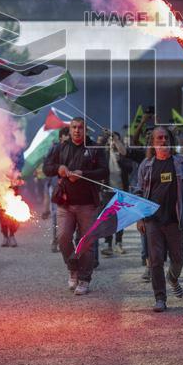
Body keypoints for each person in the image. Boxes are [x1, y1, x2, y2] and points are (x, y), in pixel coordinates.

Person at [42, 117, 108, 296]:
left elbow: (104, 172)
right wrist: (59, 168)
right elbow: (46, 168)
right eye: (74, 127)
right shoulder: (60, 147)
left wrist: (83, 173)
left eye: (80, 128)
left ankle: (85, 279)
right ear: (69, 130)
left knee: (86, 243)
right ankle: (73, 268)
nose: (77, 131)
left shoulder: (95, 149)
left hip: (88, 204)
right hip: (65, 203)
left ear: (86, 130)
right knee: (63, 238)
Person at [136, 127, 183, 312]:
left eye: (166, 137)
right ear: (152, 143)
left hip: (175, 219)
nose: (163, 141)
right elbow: (139, 192)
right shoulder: (146, 165)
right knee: (155, 260)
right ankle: (160, 298)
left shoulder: (182, 162)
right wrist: (140, 218)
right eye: (159, 138)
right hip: (152, 220)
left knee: (178, 258)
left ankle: (173, 277)